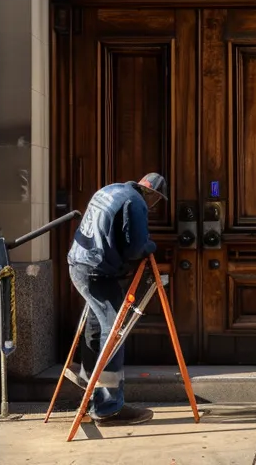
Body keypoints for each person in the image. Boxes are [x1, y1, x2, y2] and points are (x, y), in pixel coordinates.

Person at [66, 172, 167, 426]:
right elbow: (136, 246)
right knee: (114, 332)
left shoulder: (111, 189)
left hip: (79, 263)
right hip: (98, 271)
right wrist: (151, 247)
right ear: (153, 194)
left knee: (96, 327)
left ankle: (91, 391)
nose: (153, 205)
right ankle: (108, 407)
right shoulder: (136, 201)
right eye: (156, 200)